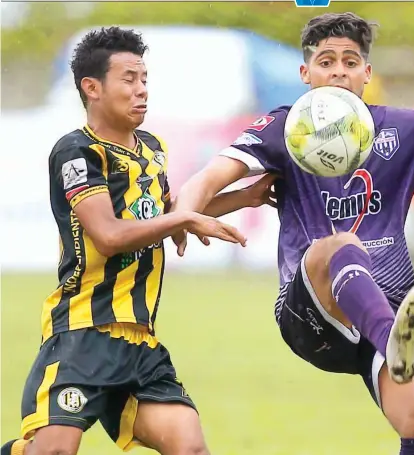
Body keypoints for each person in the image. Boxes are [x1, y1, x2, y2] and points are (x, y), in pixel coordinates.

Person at [171, 12, 414, 455]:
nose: (338, 71)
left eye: (350, 61)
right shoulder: (283, 129)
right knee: (343, 245)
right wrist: (186, 214)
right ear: (305, 73)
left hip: (389, 304)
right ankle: (392, 341)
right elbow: (204, 181)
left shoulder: (406, 129)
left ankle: (390, 341)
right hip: (311, 312)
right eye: (326, 61)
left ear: (367, 73)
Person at [1, 26, 276, 455]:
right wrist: (183, 217)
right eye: (129, 79)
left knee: (190, 447)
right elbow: (109, 236)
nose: (142, 90)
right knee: (51, 451)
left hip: (140, 343)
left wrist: (243, 197)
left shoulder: (151, 148)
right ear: (91, 88)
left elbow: (164, 217)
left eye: (144, 79)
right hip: (83, 333)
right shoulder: (77, 152)